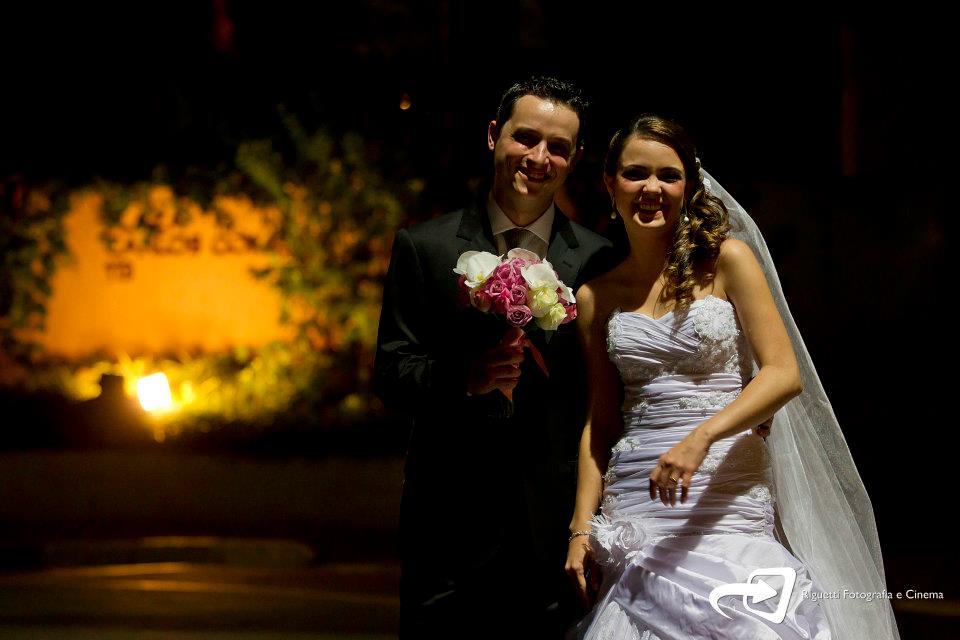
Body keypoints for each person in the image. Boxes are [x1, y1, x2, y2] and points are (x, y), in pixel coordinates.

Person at [564, 115, 900, 639]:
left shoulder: (727, 262)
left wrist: (702, 437)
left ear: (689, 187)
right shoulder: (595, 296)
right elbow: (600, 423)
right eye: (635, 173)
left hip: (725, 495)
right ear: (610, 183)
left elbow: (783, 374)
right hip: (637, 505)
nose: (652, 188)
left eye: (668, 175)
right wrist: (581, 526)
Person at [374, 76, 616, 638]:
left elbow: (605, 399)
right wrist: (466, 377)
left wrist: (586, 525)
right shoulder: (426, 247)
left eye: (558, 147)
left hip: (553, 525)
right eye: (525, 137)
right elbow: (391, 372)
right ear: (493, 135)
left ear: (576, 158)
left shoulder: (600, 260)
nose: (539, 157)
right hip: (448, 521)